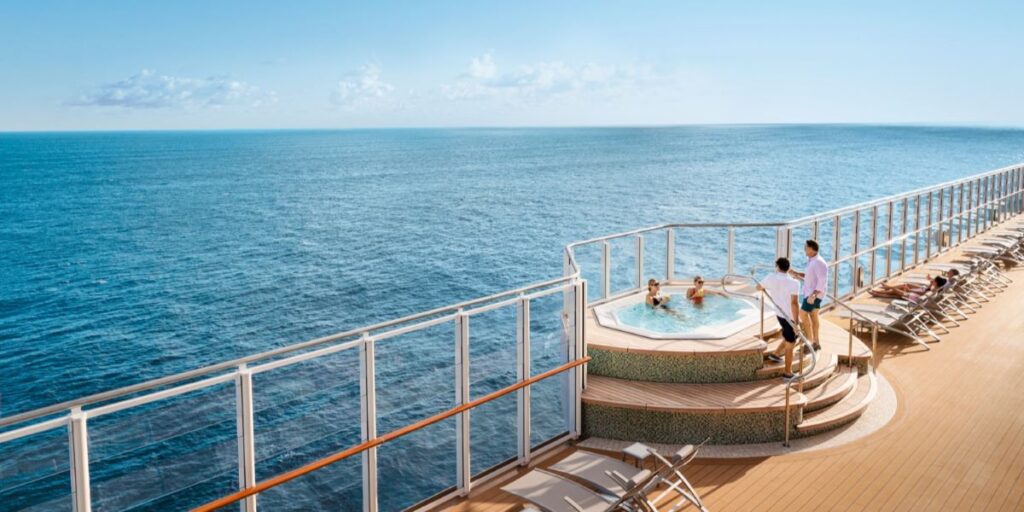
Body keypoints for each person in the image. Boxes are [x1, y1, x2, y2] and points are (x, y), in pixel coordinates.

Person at [758, 258, 802, 379]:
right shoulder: (794, 283)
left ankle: (776, 354)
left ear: (777, 267)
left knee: (792, 337)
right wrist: (796, 323)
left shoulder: (771, 278)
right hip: (789, 317)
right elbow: (794, 303)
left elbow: (758, 287)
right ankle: (788, 373)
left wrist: (765, 287)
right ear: (789, 268)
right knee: (790, 343)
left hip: (780, 314)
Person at [788, 240, 828, 351]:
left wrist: (814, 295)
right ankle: (816, 342)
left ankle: (810, 342)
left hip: (813, 294)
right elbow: (810, 276)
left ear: (811, 248)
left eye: (805, 247)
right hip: (811, 293)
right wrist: (795, 273)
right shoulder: (812, 260)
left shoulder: (819, 262)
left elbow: (822, 281)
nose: (804, 249)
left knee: (803, 314)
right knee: (814, 316)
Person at [870, 275, 947, 302]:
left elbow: (923, 293)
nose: (932, 280)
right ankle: (878, 293)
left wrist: (909, 290)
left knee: (895, 291)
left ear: (936, 283)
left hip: (914, 298)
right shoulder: (936, 288)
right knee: (895, 294)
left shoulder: (933, 290)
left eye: (934, 280)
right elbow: (926, 291)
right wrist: (931, 282)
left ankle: (878, 292)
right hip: (917, 297)